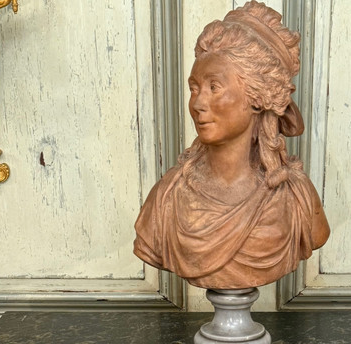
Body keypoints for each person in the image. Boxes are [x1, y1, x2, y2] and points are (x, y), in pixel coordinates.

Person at [134, 0, 330, 290]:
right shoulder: (167, 197)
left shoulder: (296, 197)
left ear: (256, 97)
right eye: (195, 88)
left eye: (215, 87)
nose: (198, 104)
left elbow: (317, 233)